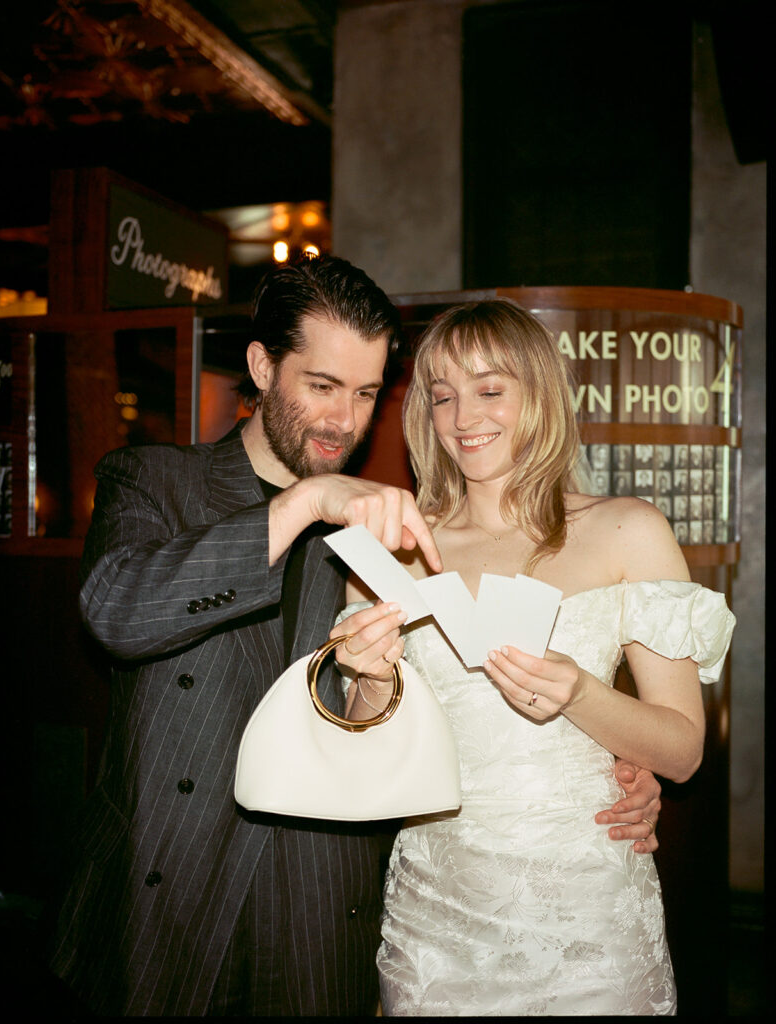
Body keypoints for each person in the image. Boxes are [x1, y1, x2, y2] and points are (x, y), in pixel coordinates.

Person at [48, 260, 662, 1017]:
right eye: (322, 386)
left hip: (318, 902)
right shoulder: (155, 481)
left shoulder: (386, 528)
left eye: (367, 393)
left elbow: (412, 718)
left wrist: (610, 767)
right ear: (262, 366)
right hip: (166, 888)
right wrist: (308, 500)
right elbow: (116, 613)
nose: (345, 419)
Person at [332, 299, 735, 1016]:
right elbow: (369, 767)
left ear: (540, 395)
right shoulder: (392, 550)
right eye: (443, 396)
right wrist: (367, 678)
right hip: (436, 918)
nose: (463, 418)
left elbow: (683, 752)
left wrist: (580, 693)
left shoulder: (626, 530)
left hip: (588, 919)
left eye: (490, 390)